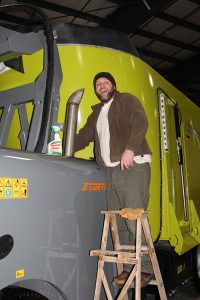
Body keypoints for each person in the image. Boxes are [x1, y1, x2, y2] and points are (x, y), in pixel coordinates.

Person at [74, 72, 153, 286]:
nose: (102, 86)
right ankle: (129, 269)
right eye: (98, 84)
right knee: (118, 222)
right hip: (110, 171)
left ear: (114, 86)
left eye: (105, 82)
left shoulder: (126, 100)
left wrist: (130, 148)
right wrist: (59, 144)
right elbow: (82, 137)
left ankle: (145, 269)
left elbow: (140, 121)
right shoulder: (96, 114)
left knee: (133, 218)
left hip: (132, 164)